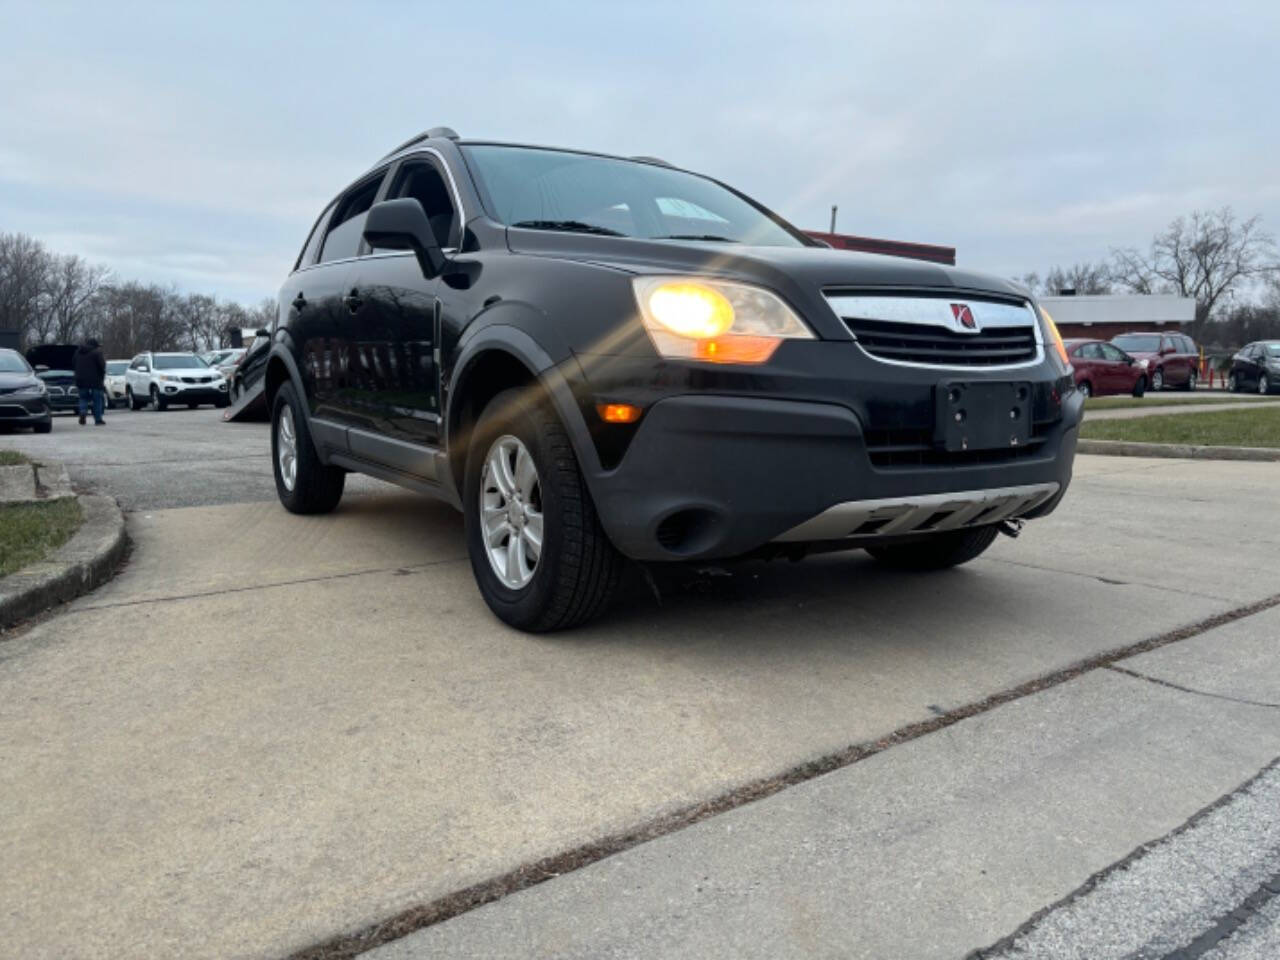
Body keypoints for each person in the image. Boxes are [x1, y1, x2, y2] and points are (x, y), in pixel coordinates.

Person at [74, 336, 107, 426]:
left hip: (81, 380)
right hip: (95, 381)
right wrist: (102, 375)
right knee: (97, 400)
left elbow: (73, 364)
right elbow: (102, 366)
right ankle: (98, 419)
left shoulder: (78, 353)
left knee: (83, 398)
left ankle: (83, 412)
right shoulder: (97, 353)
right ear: (95, 345)